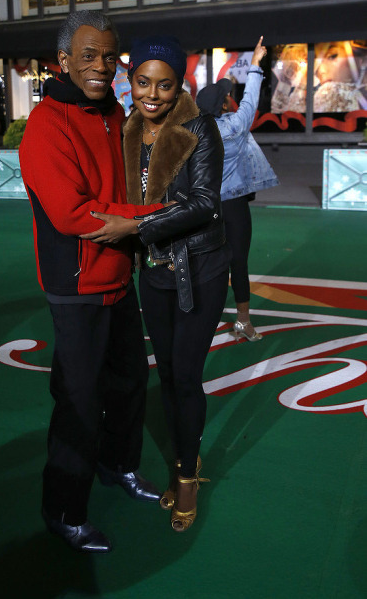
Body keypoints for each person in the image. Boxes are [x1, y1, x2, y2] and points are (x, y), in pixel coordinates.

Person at [19, 11, 165, 554]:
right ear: (63, 62)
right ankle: (63, 510)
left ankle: (118, 465)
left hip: (119, 279)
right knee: (79, 401)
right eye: (88, 55)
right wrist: (150, 218)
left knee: (128, 386)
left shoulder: (114, 114)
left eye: (109, 56)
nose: (102, 66)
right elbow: (70, 214)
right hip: (77, 287)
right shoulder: (46, 123)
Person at [80, 35, 230, 533]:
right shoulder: (126, 130)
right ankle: (188, 451)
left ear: (179, 85)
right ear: (131, 80)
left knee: (186, 377)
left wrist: (134, 228)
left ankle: (186, 475)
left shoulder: (199, 127)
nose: (152, 94)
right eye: (143, 82)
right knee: (165, 375)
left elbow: (205, 202)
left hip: (200, 269)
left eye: (164, 85)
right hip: (154, 274)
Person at [196, 36, 279, 341]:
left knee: (209, 263)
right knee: (238, 263)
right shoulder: (235, 126)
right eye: (225, 95)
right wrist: (255, 64)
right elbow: (251, 99)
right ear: (223, 104)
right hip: (233, 206)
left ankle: (202, 319)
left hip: (205, 207)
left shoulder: (195, 133)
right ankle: (243, 322)